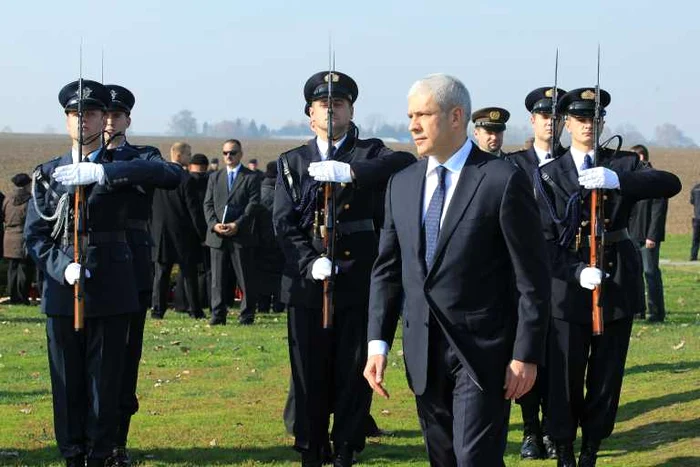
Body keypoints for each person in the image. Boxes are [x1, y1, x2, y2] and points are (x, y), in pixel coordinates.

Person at [363, 73, 551, 467]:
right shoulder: (402, 184)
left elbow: (531, 278)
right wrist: (377, 343)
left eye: (423, 114)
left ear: (455, 116)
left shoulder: (501, 180)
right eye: (410, 115)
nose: (412, 125)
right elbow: (387, 270)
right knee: (444, 459)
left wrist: (526, 353)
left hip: (483, 353)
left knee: (474, 459)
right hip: (422, 352)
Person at [25, 79, 178, 467]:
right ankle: (72, 453)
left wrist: (103, 175)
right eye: (76, 114)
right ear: (66, 121)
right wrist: (62, 268)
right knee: (67, 380)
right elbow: (35, 235)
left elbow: (170, 175)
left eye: (91, 114)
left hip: (111, 286)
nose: (84, 121)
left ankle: (101, 451)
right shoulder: (47, 173)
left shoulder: (123, 167)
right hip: (63, 290)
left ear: (102, 120)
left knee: (105, 380)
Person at [274, 70, 415, 467]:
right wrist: (308, 261)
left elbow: (403, 161)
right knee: (308, 372)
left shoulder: (370, 153)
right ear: (310, 114)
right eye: (323, 105)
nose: (331, 110)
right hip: (307, 284)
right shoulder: (292, 162)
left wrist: (351, 172)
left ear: (351, 110)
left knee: (354, 369)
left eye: (339, 103)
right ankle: (311, 448)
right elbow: (283, 224)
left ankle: (347, 447)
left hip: (358, 280)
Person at [536, 88, 681, 467]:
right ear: (566, 123)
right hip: (569, 288)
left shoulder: (624, 164)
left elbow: (670, 183)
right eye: (580, 119)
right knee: (565, 375)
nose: (588, 126)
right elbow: (543, 242)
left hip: (615, 282)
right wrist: (575, 270)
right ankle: (564, 447)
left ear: (602, 124)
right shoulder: (549, 174)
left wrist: (619, 181)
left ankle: (592, 447)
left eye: (594, 120)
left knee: (606, 374)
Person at [102, 84, 182, 466]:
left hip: (131, 266)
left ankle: (117, 439)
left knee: (125, 355)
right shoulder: (78, 156)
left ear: (127, 119)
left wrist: (107, 171)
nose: (109, 122)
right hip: (87, 268)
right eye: (103, 115)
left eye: (116, 115)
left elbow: (169, 174)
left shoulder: (142, 156)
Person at [506, 86, 568, 461]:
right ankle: (530, 428)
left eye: (557, 116)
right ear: (533, 120)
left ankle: (554, 429)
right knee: (528, 350)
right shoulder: (514, 165)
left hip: (564, 274)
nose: (551, 122)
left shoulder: (576, 162)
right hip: (525, 273)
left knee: (560, 356)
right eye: (544, 116)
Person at [204, 139, 261, 325]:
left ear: (241, 154)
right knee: (217, 279)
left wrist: (237, 224)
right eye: (225, 153)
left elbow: (253, 204)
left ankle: (246, 315)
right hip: (217, 235)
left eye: (233, 152)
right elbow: (208, 204)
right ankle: (218, 315)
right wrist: (214, 225)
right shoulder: (214, 177)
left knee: (245, 278)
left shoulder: (251, 177)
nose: (228, 156)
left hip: (241, 235)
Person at [150, 142, 207, 319]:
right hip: (184, 234)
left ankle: (157, 309)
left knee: (161, 274)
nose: (190, 158)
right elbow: (193, 210)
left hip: (161, 233)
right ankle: (194, 309)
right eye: (188, 154)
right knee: (189, 274)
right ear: (180, 155)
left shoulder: (158, 177)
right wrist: (202, 234)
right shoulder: (185, 178)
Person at [628, 144, 668, 322]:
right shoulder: (631, 180)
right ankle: (638, 310)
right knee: (634, 275)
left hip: (648, 237)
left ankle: (656, 312)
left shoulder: (655, 180)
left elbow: (659, 211)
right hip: (631, 236)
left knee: (651, 273)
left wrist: (652, 235)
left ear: (642, 158)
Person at [256, 160, 285, 313]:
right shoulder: (283, 192)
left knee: (262, 275)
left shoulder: (259, 191)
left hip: (261, 239)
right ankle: (279, 305)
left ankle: (263, 305)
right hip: (280, 238)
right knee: (280, 273)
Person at [2, 173, 34, 304]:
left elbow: (3, 215)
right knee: (24, 269)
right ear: (26, 185)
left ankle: (13, 297)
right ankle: (22, 297)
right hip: (23, 236)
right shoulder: (29, 200)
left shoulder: (7, 199)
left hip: (8, 236)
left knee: (12, 269)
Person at [690, 181, 700, 261]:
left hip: (697, 217)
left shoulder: (695, 188)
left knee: (695, 239)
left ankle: (693, 256)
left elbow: (692, 201)